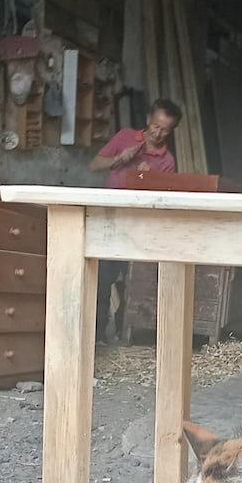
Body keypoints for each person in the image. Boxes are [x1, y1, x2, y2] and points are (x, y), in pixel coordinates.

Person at [88, 98, 183, 343]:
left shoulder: (166, 161)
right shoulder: (124, 137)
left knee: (134, 280)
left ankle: (124, 331)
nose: (158, 133)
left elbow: (163, 200)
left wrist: (147, 179)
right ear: (148, 120)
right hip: (110, 218)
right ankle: (98, 334)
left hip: (138, 225)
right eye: (156, 126)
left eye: (165, 130)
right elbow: (95, 164)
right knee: (102, 278)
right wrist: (119, 157)